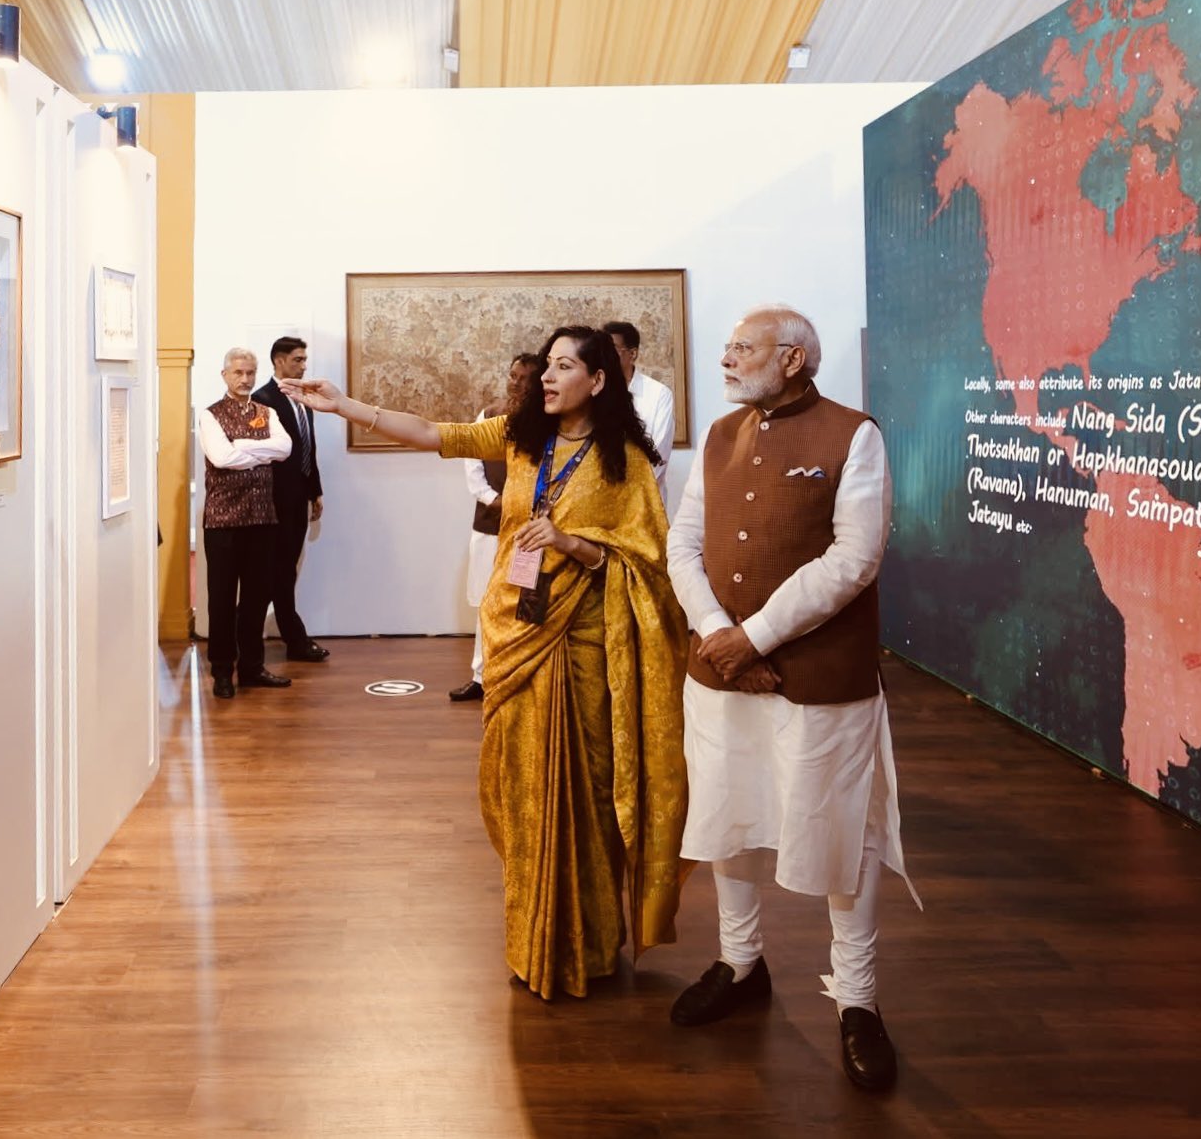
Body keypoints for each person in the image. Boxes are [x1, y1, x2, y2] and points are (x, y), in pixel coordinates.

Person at [283, 326, 688, 1000]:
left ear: (599, 380)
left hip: (585, 649)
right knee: (525, 789)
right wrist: (345, 405)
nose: (549, 378)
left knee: (586, 797)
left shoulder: (628, 465)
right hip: (516, 641)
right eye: (547, 366)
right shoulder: (519, 437)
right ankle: (533, 936)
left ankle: (587, 944)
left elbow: (647, 561)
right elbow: (430, 433)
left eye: (566, 366)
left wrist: (573, 542)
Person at [665, 304, 917, 1091]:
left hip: (821, 679)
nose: (727, 360)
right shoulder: (719, 435)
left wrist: (757, 636)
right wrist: (715, 632)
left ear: (796, 360)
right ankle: (740, 964)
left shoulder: (854, 434)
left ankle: (859, 1001)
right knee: (727, 817)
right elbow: (684, 543)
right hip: (719, 669)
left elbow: (856, 558)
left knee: (840, 831)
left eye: (745, 349)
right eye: (730, 348)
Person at [198, 347, 294, 700]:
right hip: (223, 523)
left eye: (251, 373)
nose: (245, 379)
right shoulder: (210, 416)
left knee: (256, 598)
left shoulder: (267, 411)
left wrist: (244, 447)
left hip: (262, 519)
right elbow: (221, 457)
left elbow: (284, 449)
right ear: (225, 375)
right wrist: (257, 449)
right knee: (222, 600)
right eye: (238, 372)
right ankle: (222, 671)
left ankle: (252, 668)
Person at [451, 352, 544, 703]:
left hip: (531, 530)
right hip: (491, 525)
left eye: (525, 378)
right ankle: (481, 676)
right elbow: (472, 461)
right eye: (513, 376)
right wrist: (496, 499)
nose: (517, 384)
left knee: (528, 601)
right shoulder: (489, 415)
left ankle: (522, 676)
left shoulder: (551, 419)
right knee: (487, 602)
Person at [253, 336, 330, 663]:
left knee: (284, 572)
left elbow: (306, 448)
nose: (303, 365)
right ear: (279, 361)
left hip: (298, 500)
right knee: (274, 573)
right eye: (298, 359)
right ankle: (284, 640)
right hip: (272, 503)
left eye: (304, 359)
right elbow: (260, 454)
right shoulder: (262, 399)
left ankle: (288, 639)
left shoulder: (302, 399)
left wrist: (315, 491)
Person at [604, 320, 676, 498]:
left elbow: (659, 454)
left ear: (632, 353)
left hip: (645, 498)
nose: (604, 357)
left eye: (611, 349)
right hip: (601, 497)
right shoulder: (594, 391)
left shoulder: (659, 394)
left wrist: (627, 492)